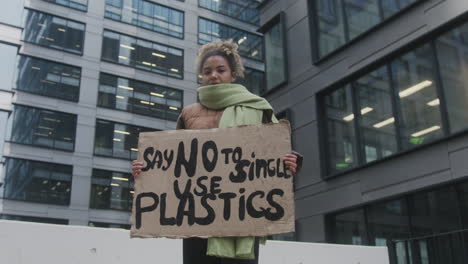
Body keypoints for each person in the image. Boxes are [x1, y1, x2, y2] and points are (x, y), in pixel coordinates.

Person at [132, 40, 302, 264]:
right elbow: (174, 164)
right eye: (207, 71)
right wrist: (147, 170)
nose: (213, 75)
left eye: (220, 70)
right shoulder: (188, 114)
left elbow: (273, 154)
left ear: (232, 74)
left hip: (242, 216)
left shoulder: (258, 107)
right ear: (201, 76)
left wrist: (292, 162)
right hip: (198, 219)